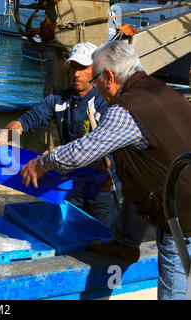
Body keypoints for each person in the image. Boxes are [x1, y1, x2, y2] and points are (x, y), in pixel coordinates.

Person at [20, 40, 191, 300]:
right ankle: (125, 242)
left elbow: (82, 151)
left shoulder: (126, 109)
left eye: (97, 79)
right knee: (138, 172)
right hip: (173, 184)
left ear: (109, 77)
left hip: (183, 213)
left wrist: (42, 163)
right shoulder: (160, 89)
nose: (96, 87)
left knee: (173, 288)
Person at [0, 42, 120, 227]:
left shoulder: (105, 103)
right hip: (73, 182)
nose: (76, 74)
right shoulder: (58, 100)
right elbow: (29, 119)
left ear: (95, 69)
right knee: (72, 230)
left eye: (83, 68)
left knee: (105, 233)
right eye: (74, 67)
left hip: (104, 185)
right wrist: (6, 134)